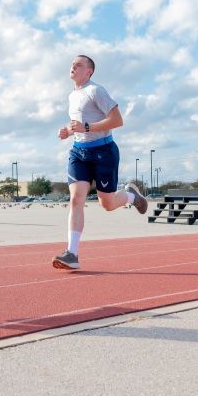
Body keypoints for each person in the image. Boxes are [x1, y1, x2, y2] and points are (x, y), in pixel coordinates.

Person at [52, 54, 148, 271]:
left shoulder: (96, 90)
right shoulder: (72, 96)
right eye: (72, 64)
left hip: (104, 150)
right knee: (76, 199)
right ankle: (72, 254)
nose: (73, 66)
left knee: (107, 204)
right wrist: (68, 131)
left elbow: (117, 120)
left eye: (79, 64)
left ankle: (132, 196)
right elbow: (78, 124)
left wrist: (86, 127)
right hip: (79, 152)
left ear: (89, 71)